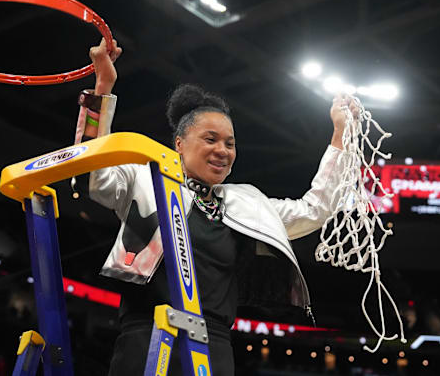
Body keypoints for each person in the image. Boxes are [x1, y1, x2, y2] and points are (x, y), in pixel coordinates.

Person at [83, 38, 357, 376]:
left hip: (213, 345)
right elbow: (94, 173)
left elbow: (315, 209)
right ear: (180, 144)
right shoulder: (146, 180)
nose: (223, 150)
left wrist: (340, 135)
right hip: (147, 334)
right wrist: (102, 88)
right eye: (210, 139)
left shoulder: (246, 203)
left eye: (230, 143)